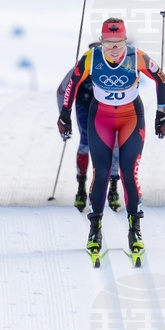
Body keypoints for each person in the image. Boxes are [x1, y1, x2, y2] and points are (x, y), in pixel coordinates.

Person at [57, 18, 165, 261]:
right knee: (101, 173)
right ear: (102, 42)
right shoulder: (91, 57)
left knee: (129, 173)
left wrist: (162, 113)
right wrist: (65, 114)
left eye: (118, 43)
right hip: (101, 117)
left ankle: (135, 231)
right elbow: (72, 84)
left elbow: (160, 78)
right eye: (109, 43)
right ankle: (94, 231)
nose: (114, 49)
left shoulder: (136, 57)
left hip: (131, 117)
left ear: (125, 41)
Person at [55, 42, 122, 213]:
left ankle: (113, 188)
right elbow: (61, 91)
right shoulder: (81, 66)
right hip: (85, 103)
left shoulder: (117, 66)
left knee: (113, 142)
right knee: (87, 140)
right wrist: (64, 118)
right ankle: (81, 189)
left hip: (107, 105)